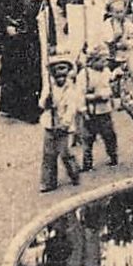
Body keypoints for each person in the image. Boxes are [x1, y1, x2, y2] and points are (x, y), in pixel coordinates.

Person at [0, 0, 54, 123]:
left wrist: (52, 42)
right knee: (13, 70)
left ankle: (30, 110)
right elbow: (2, 11)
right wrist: (8, 25)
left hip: (33, 38)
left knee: (32, 72)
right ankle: (11, 107)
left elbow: (48, 17)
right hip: (15, 38)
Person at [38, 53, 83, 191]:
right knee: (48, 155)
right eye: (57, 70)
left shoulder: (71, 89)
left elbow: (72, 108)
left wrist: (65, 123)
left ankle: (74, 174)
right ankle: (48, 182)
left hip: (63, 126)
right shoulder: (49, 88)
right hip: (50, 125)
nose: (61, 75)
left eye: (64, 69)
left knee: (65, 153)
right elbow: (41, 104)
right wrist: (47, 100)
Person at [79, 47, 119, 171]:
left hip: (104, 110)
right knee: (88, 138)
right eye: (101, 61)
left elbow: (110, 85)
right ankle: (87, 163)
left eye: (105, 61)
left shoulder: (105, 71)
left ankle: (113, 156)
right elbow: (79, 94)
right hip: (91, 111)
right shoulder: (84, 75)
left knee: (109, 135)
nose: (104, 63)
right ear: (93, 61)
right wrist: (84, 109)